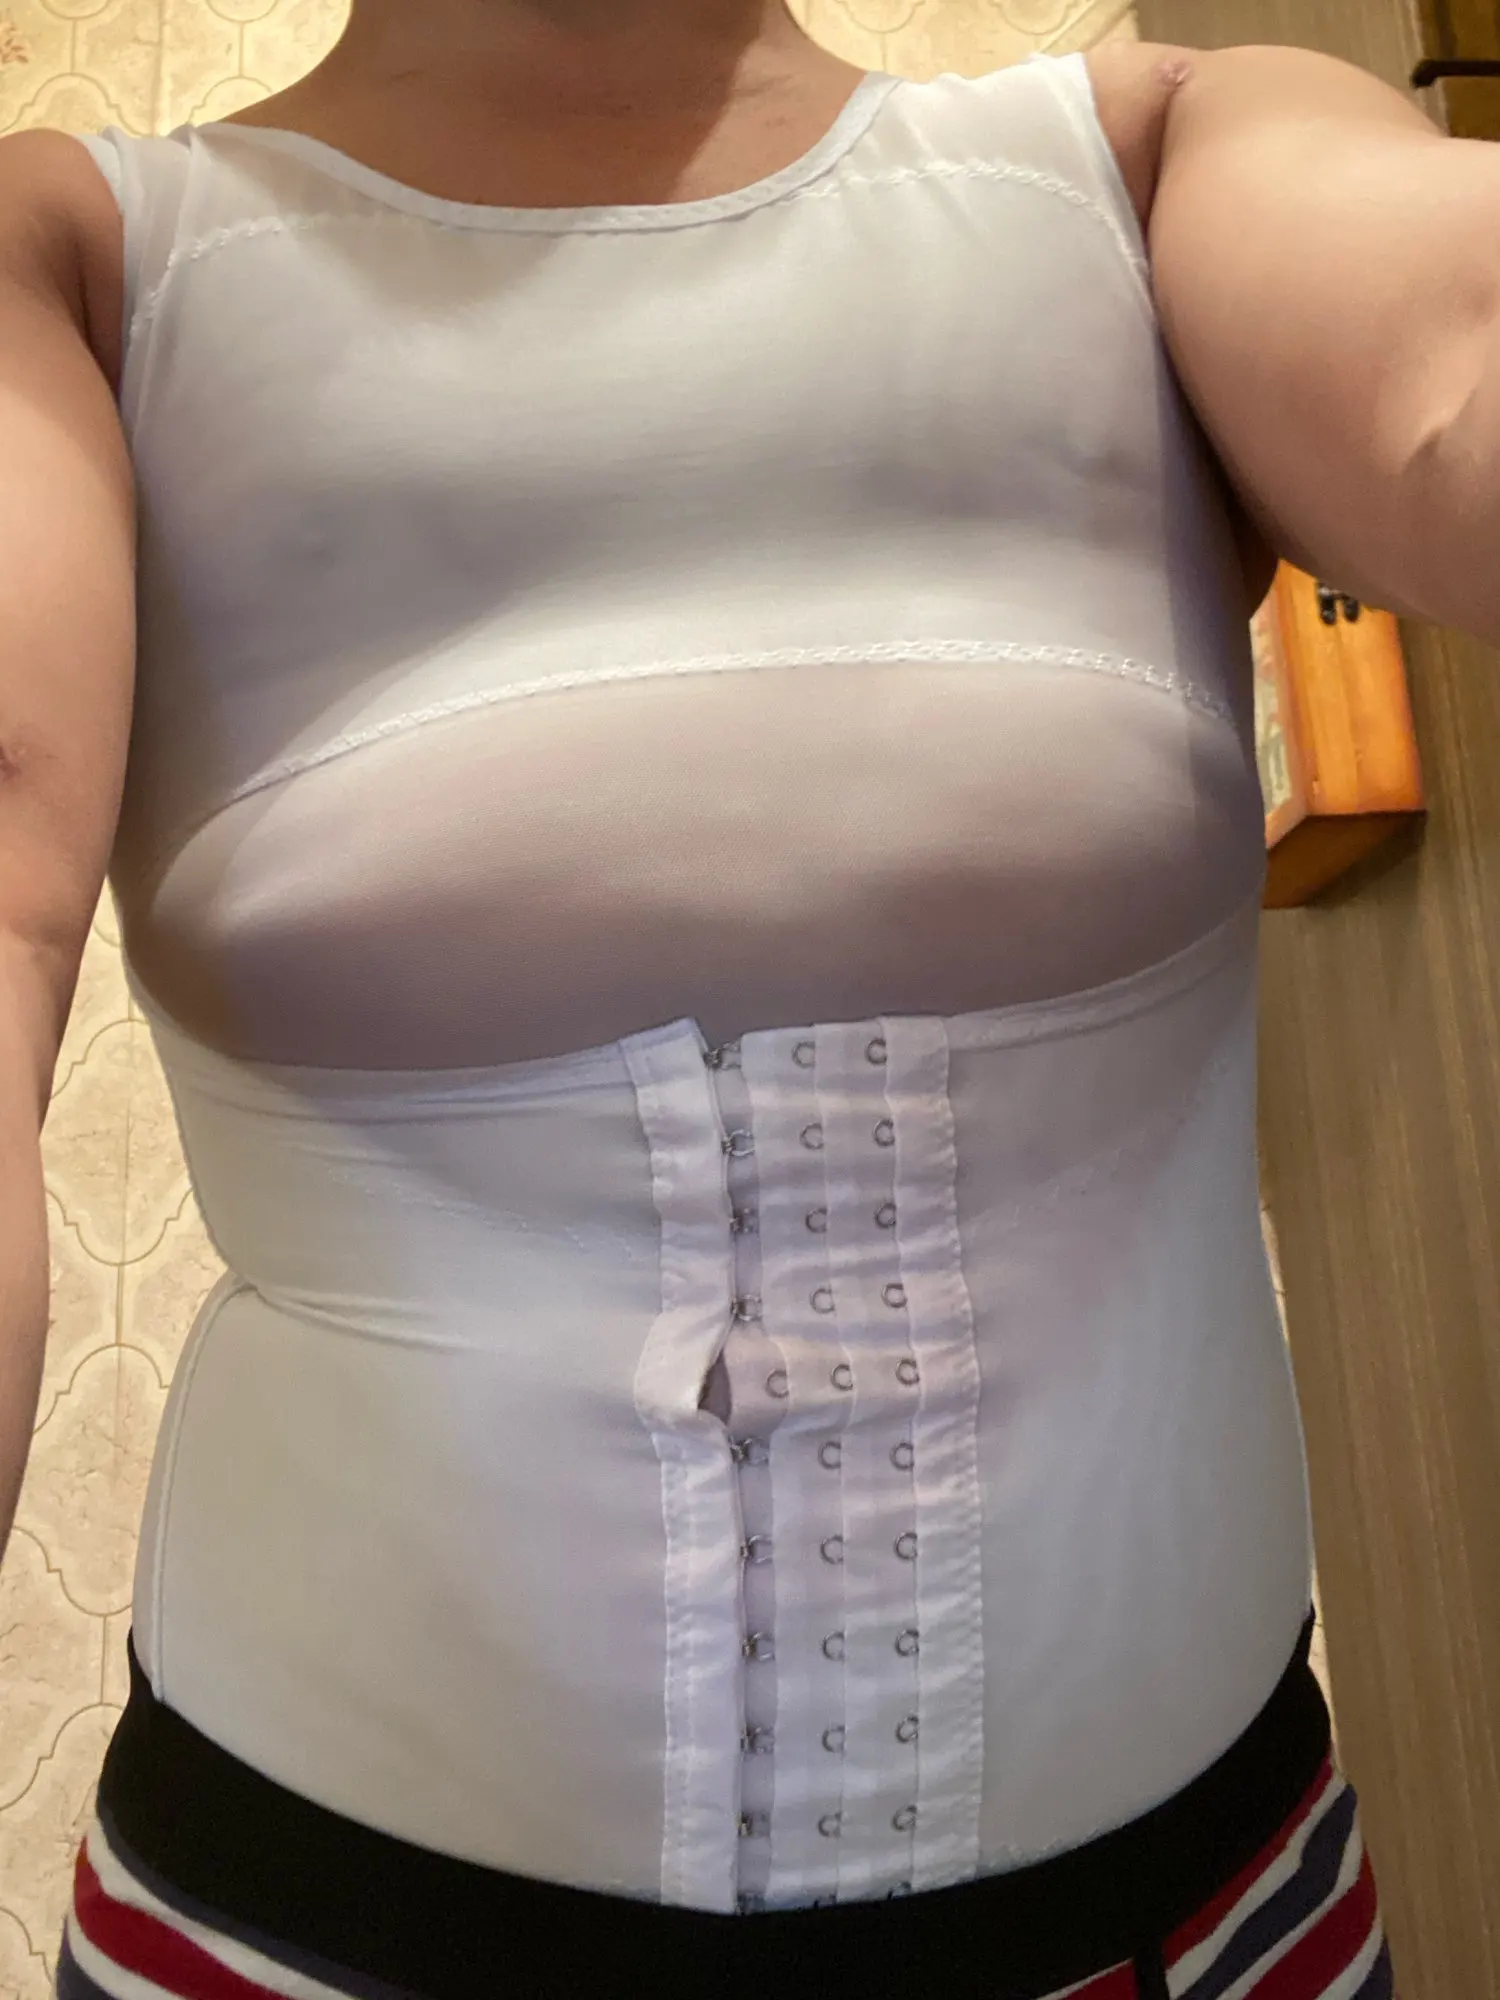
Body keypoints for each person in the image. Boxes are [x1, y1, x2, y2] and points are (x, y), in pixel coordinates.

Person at [14, 0, 1491, 1989]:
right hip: (295, 1941)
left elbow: (1451, 375)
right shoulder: (77, 274)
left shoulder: (1150, 166)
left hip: (1215, 1930)